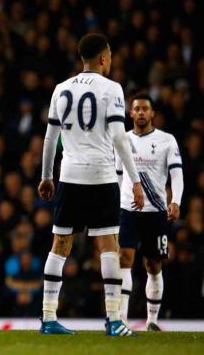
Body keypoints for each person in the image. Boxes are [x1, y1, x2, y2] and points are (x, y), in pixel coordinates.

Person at [37, 33, 144, 336]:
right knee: (108, 244)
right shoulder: (111, 89)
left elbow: (50, 138)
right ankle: (113, 320)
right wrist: (135, 180)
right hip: (100, 175)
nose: (110, 61)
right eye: (109, 56)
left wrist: (47, 176)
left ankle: (47, 318)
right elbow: (120, 138)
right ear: (102, 58)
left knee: (60, 245)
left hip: (69, 175)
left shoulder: (61, 88)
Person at [116, 93, 183, 331]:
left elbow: (176, 174)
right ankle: (121, 319)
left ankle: (152, 320)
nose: (141, 112)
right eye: (137, 109)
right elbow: (118, 175)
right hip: (128, 210)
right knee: (124, 259)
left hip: (156, 211)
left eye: (145, 108)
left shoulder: (167, 140)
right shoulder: (121, 139)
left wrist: (175, 201)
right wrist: (118, 200)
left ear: (152, 113)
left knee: (153, 265)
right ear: (131, 113)